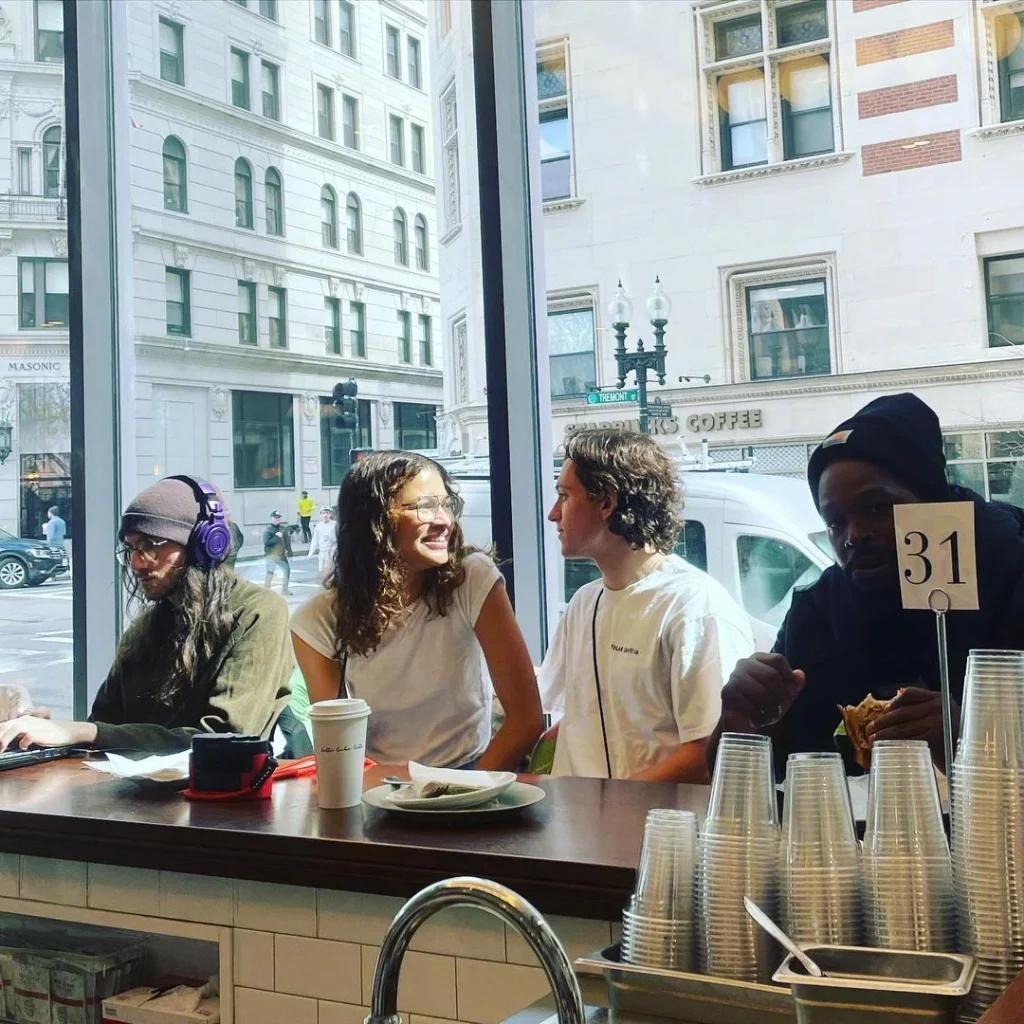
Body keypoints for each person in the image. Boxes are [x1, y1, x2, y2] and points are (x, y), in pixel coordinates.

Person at [707, 393, 1024, 776]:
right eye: (835, 522)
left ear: (934, 502)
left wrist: (972, 744)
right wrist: (741, 724)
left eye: (877, 508)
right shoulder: (820, 613)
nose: (854, 536)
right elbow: (750, 779)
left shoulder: (1012, 580)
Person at [0, 476, 293, 753]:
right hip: (131, 789)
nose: (136, 563)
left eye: (151, 545)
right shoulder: (149, 625)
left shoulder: (259, 613)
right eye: (131, 548)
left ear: (202, 546)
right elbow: (105, 724)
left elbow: (224, 739)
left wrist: (86, 733)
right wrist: (44, 732)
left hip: (218, 791)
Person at [290, 451, 544, 770]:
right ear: (375, 520)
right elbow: (339, 746)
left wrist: (464, 790)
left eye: (447, 504)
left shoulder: (472, 578)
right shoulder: (317, 620)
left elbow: (526, 720)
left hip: (469, 772)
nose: (444, 520)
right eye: (426, 506)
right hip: (380, 782)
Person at [537, 429, 755, 782]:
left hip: (649, 818)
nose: (552, 513)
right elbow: (576, 719)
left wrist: (607, 803)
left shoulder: (694, 607)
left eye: (564, 496)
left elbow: (709, 753)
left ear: (606, 503)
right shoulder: (583, 603)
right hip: (575, 814)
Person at [263, 511, 292, 596]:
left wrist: (290, 552)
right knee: (270, 572)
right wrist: (276, 537)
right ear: (272, 518)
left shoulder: (283, 529)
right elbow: (266, 542)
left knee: (286, 571)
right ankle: (266, 591)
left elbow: (287, 542)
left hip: (281, 555)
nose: (277, 519)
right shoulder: (268, 530)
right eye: (275, 518)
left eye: (278, 518)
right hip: (271, 555)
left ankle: (285, 590)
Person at [308, 505, 337, 580]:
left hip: (332, 551)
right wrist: (311, 552)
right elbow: (315, 539)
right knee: (321, 569)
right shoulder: (318, 526)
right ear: (321, 515)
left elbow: (339, 539)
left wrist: (330, 538)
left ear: (330, 514)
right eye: (323, 513)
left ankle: (329, 583)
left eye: (327, 513)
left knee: (329, 571)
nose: (325, 515)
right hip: (322, 551)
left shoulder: (334, 525)